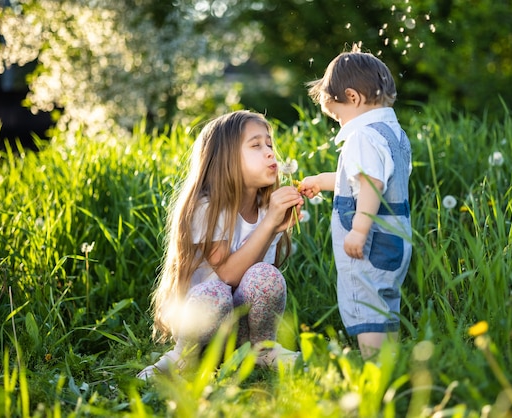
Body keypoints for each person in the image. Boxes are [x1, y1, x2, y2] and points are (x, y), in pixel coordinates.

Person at [137, 110, 303, 380]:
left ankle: (262, 350)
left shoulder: (265, 210)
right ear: (226, 159)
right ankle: (185, 356)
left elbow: (256, 279)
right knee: (214, 291)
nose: (271, 153)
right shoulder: (207, 207)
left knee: (267, 276)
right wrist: (269, 224)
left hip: (242, 333)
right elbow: (227, 275)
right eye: (256, 145)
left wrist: (273, 227)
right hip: (204, 326)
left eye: (270, 144)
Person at [298, 45, 413, 360]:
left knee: (366, 301)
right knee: (383, 300)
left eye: (337, 116)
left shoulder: (362, 137)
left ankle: (375, 366)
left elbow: (371, 184)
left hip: (372, 242)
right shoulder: (393, 134)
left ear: (353, 97)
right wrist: (323, 182)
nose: (338, 124)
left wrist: (359, 230)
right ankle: (389, 360)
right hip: (396, 237)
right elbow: (368, 178)